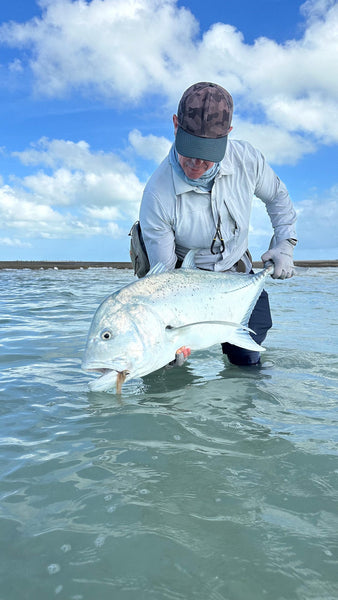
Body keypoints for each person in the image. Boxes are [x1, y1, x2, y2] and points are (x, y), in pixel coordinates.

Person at [139, 82, 297, 366]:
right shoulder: (156, 195)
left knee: (247, 363)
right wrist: (168, 337)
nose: (197, 162)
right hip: (183, 285)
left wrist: (285, 244)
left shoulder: (248, 160)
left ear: (228, 135)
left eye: (208, 152)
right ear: (175, 125)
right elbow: (163, 283)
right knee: (166, 371)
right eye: (190, 149)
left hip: (238, 277)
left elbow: (278, 199)